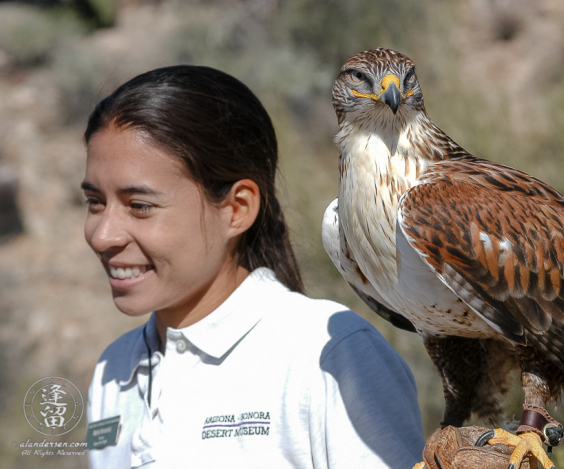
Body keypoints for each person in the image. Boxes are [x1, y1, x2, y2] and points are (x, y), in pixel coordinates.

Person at [82, 65, 425, 469]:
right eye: (94, 202)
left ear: (237, 208)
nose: (102, 236)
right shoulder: (112, 371)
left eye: (140, 206)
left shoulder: (327, 355)